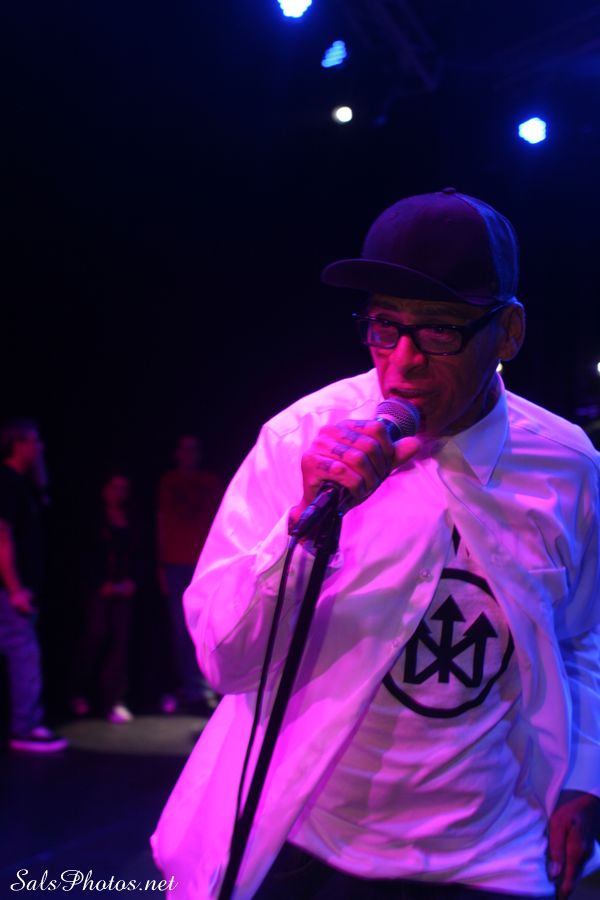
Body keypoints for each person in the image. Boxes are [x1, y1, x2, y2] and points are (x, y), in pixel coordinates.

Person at [151, 189, 600, 899]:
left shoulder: (566, 464)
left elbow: (583, 636)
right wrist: (305, 525)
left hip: (493, 853)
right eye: (385, 327)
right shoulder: (301, 440)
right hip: (310, 841)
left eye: (440, 331)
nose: (403, 365)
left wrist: (585, 774)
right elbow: (223, 659)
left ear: (508, 333)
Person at [0, 418, 68, 752]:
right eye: (34, 441)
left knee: (21, 652)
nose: (40, 447)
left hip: (20, 589)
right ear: (19, 443)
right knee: (24, 654)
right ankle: (25, 727)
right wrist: (14, 588)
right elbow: (2, 535)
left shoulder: (24, 484)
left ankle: (24, 724)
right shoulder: (7, 482)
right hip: (10, 591)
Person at [156, 434, 225, 713]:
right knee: (182, 628)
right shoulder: (168, 482)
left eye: (193, 449)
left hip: (205, 563)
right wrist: (160, 564)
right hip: (176, 563)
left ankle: (216, 685)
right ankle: (194, 688)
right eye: (184, 449)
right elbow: (161, 522)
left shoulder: (210, 482)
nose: (189, 454)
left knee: (213, 625)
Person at [71, 471, 141, 723]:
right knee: (95, 636)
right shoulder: (94, 520)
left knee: (119, 644)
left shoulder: (131, 519)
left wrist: (132, 581)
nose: (119, 493)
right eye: (114, 487)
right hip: (99, 589)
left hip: (124, 588)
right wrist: (100, 583)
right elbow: (85, 554)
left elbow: (137, 553)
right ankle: (79, 692)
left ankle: (111, 700)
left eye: (123, 488)